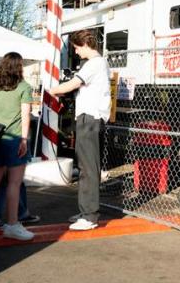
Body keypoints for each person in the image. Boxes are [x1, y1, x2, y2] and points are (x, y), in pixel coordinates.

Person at [49, 29, 111, 231]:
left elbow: (73, 84)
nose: (75, 52)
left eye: (76, 48)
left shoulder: (94, 63)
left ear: (84, 44)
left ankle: (90, 216)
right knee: (86, 167)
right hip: (90, 118)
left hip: (90, 118)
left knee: (88, 168)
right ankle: (86, 211)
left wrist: (52, 90)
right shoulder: (97, 64)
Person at [0, 52, 35, 240]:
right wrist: (25, 140)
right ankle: (12, 224)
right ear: (19, 67)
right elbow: (25, 115)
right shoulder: (24, 88)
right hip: (14, 139)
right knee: (14, 183)